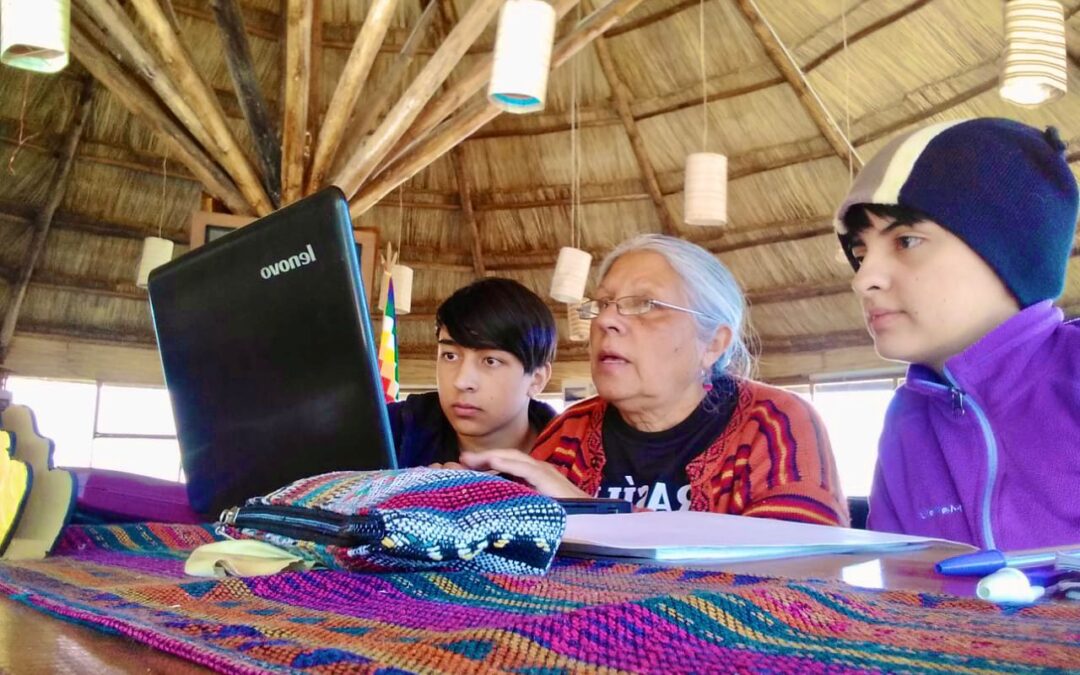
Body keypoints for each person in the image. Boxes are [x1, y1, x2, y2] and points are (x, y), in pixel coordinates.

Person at [462, 234, 849, 526]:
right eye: (602, 304)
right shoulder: (570, 436)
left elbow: (802, 556)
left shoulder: (775, 423)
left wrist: (587, 507)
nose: (605, 321)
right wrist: (461, 499)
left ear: (712, 343)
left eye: (646, 304)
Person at [834, 117, 1080, 549]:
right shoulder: (908, 420)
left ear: (1011, 250)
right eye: (859, 252)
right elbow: (901, 593)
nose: (863, 279)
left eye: (906, 241)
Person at [389, 277, 558, 467]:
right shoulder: (387, 430)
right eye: (450, 356)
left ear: (536, 380)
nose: (461, 381)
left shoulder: (576, 460)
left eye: (490, 361)